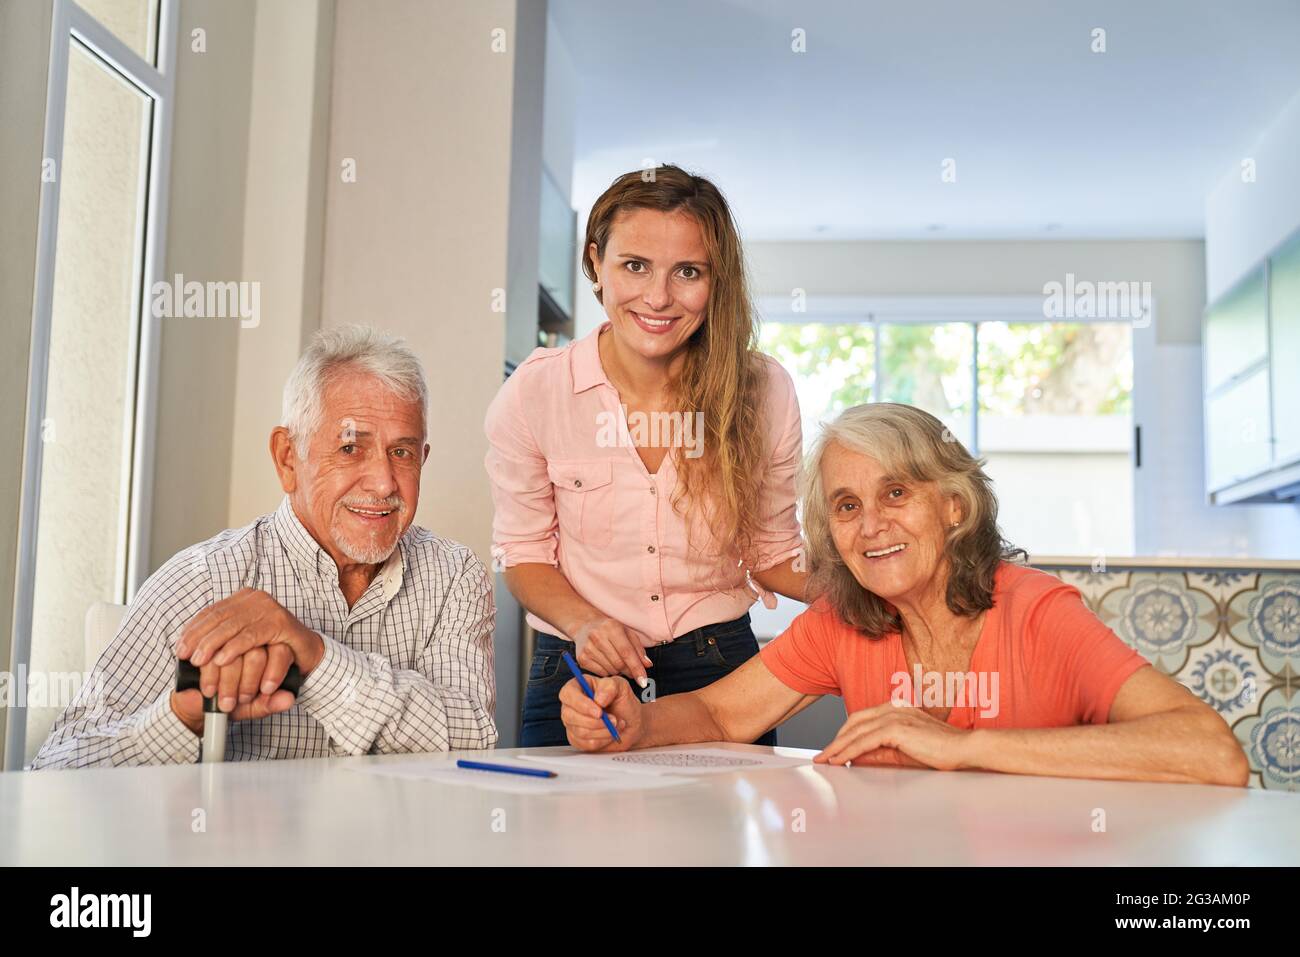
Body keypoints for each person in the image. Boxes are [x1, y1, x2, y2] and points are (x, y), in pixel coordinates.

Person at [560, 403, 1250, 787]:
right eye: (848, 505)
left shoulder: (1038, 611)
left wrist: (962, 744)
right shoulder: (845, 621)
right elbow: (717, 713)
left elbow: (1211, 752)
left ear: (953, 507)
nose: (872, 524)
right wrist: (634, 722)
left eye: (896, 492)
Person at [33, 326, 497, 767]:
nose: (382, 483)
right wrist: (182, 718)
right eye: (351, 449)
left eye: (402, 452)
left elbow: (474, 739)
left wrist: (314, 655)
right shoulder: (202, 580)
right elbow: (56, 770)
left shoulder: (453, 574)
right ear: (287, 458)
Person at [486, 164, 806, 747]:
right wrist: (587, 623)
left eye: (688, 272)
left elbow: (774, 549)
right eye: (635, 266)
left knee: (708, 841)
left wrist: (887, 585)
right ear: (596, 264)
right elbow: (525, 552)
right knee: (556, 839)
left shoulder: (764, 391)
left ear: (717, 280)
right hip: (578, 668)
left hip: (719, 669)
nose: (658, 297)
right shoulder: (536, 393)